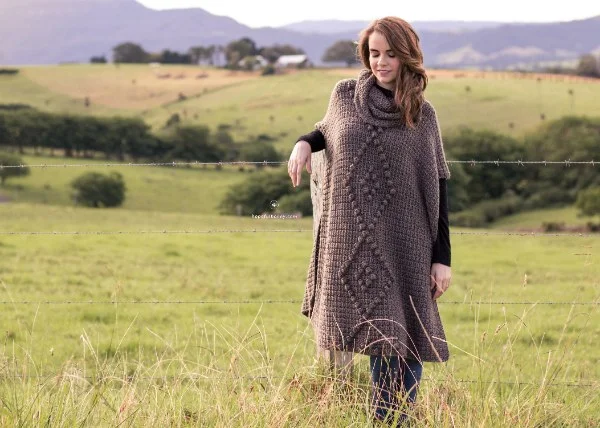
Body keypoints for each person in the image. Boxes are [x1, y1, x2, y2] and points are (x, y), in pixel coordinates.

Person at [287, 16, 452, 424]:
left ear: (408, 56)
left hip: (405, 242)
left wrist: (441, 257)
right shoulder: (344, 95)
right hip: (349, 241)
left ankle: (394, 418)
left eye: (391, 54)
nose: (381, 62)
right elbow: (326, 131)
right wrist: (303, 144)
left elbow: (438, 187)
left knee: (403, 335)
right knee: (368, 334)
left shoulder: (422, 114)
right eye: (374, 53)